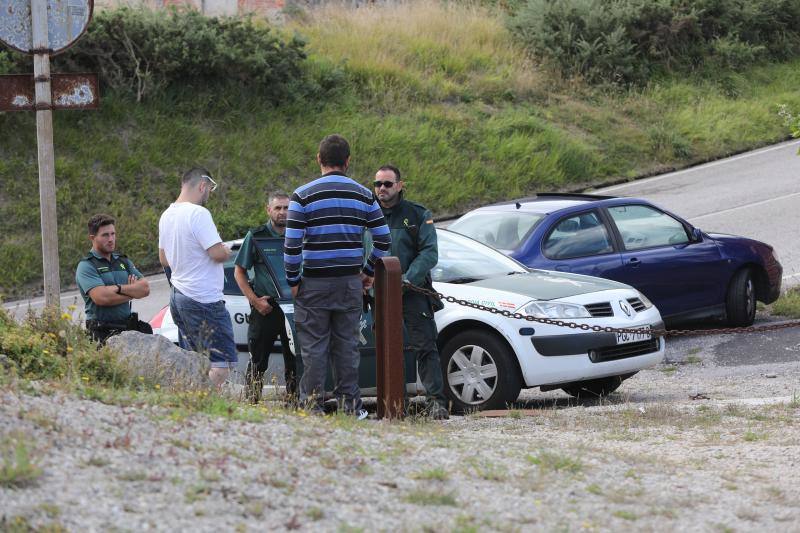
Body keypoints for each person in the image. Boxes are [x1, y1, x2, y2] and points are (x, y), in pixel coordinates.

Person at [284, 134, 391, 418]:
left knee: (314, 349)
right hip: (348, 284)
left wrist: (293, 280)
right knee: (347, 348)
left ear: (319, 159)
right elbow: (383, 239)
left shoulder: (301, 196)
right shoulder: (364, 195)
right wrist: (367, 272)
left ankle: (313, 409)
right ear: (347, 161)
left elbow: (292, 245)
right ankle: (350, 409)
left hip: (314, 284)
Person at [373, 165, 449, 419]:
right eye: (378, 184)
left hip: (413, 294)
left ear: (400, 185)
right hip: (378, 297)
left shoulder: (417, 214)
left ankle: (436, 402)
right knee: (384, 351)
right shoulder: (367, 216)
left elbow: (429, 253)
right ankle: (394, 405)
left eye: (387, 183)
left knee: (425, 348)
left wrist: (406, 280)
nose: (381, 188)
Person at [158, 167, 236, 389]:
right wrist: (226, 250)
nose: (208, 194)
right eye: (210, 189)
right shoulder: (198, 214)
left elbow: (163, 259)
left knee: (195, 362)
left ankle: (190, 400)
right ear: (203, 185)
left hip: (179, 296)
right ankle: (197, 400)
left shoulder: (167, 215)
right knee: (221, 365)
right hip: (203, 298)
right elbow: (217, 253)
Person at [234, 191, 297, 404]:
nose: (282, 212)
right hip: (265, 307)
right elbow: (239, 271)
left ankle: (296, 403)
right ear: (268, 210)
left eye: (287, 208)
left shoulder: (300, 234)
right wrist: (255, 301)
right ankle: (252, 404)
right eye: (278, 208)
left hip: (294, 307)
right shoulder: (257, 235)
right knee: (258, 361)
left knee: (295, 360)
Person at [76, 214, 152, 344]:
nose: (111, 239)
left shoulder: (123, 261)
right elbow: (102, 297)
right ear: (92, 238)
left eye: (113, 234)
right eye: (105, 235)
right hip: (101, 333)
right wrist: (131, 293)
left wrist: (117, 289)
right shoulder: (86, 266)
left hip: (128, 329)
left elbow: (145, 289)